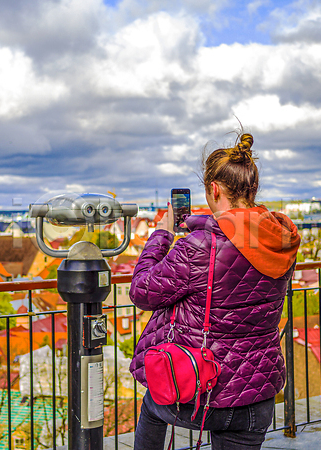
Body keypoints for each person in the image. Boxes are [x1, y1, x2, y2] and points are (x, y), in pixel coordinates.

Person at [129, 132, 301, 449]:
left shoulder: (200, 246)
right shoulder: (280, 239)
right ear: (253, 188)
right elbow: (239, 239)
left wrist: (162, 235)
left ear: (213, 189)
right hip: (257, 394)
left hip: (203, 392)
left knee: (153, 408)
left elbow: (142, 291)